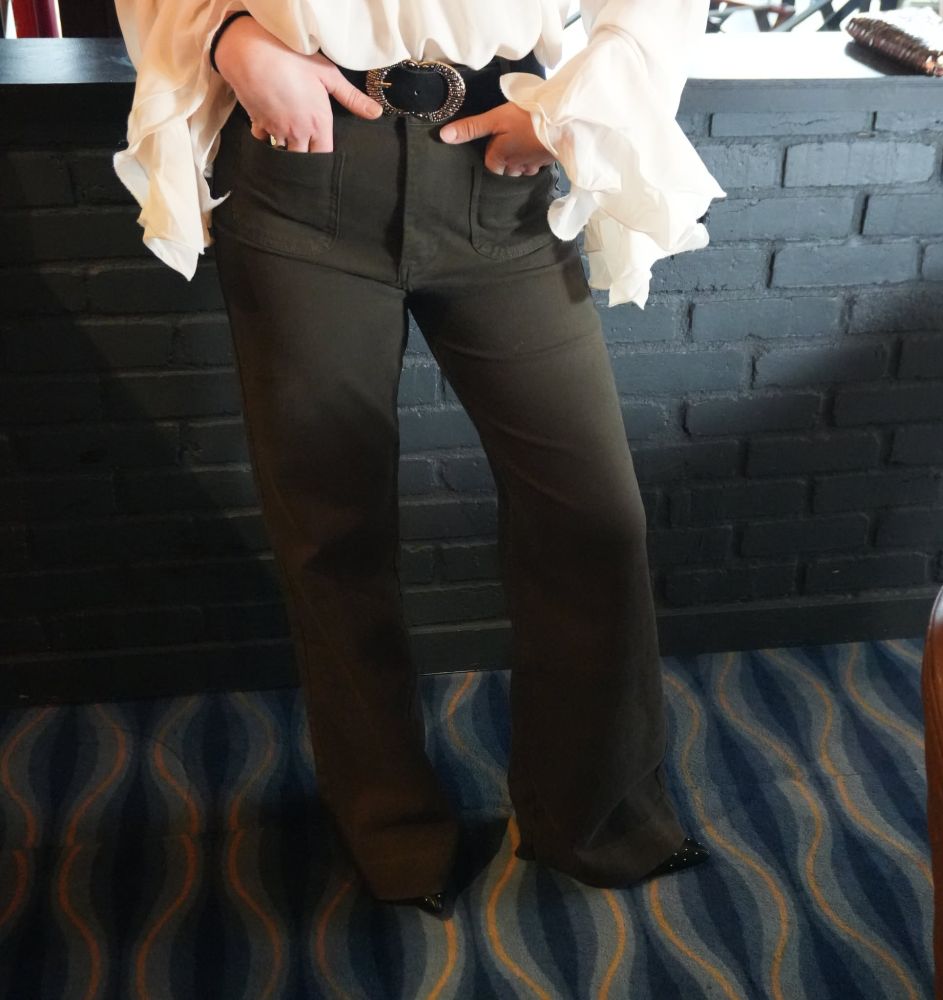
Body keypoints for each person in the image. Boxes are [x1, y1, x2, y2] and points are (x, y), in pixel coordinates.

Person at [111, 0, 727, 917]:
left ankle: (594, 816)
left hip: (503, 162)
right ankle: (390, 825)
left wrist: (578, 104)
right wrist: (229, 39)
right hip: (303, 158)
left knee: (593, 517)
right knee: (331, 532)